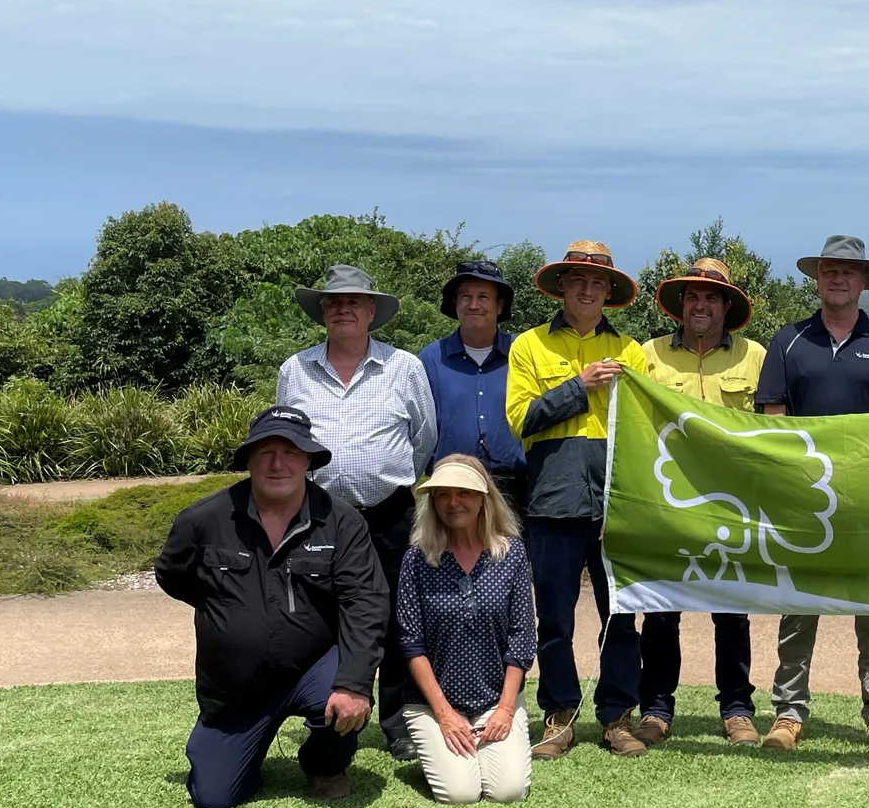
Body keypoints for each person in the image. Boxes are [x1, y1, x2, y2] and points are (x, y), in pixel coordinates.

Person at [156, 405, 388, 808]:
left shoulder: (342, 521)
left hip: (315, 668)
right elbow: (172, 575)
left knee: (344, 697)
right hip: (236, 687)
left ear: (309, 460)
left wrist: (353, 683)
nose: (277, 463)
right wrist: (230, 614)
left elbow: (364, 601)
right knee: (214, 796)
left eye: (292, 452)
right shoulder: (201, 520)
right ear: (247, 459)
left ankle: (324, 764)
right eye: (265, 452)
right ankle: (240, 756)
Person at [754, 234, 869, 754]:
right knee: (797, 611)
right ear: (817, 276)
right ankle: (788, 713)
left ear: (864, 280)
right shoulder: (787, 341)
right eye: (830, 269)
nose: (839, 278)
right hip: (805, 502)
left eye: (849, 271)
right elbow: (773, 421)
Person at [276, 263, 438, 763]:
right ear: (322, 312)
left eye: (353, 302)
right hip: (319, 515)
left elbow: (423, 440)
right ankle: (322, 714)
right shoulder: (294, 370)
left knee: (393, 617)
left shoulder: (405, 367)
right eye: (333, 302)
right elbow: (286, 443)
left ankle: (394, 722)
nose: (343, 308)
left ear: (371, 311)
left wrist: (386, 479)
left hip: (389, 512)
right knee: (320, 614)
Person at [504, 240, 650, 761]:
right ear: (562, 286)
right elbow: (520, 419)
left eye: (597, 283)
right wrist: (579, 386)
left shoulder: (633, 352)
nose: (587, 289)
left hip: (617, 504)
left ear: (609, 293)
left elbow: (647, 430)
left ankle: (616, 718)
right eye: (578, 280)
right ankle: (559, 715)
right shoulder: (528, 346)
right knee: (555, 618)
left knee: (620, 616)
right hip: (553, 498)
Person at [636, 258, 768, 747]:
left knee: (731, 609)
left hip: (734, 504)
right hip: (666, 499)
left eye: (711, 296)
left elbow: (774, 429)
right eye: (692, 296)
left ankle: (737, 709)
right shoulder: (646, 355)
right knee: (663, 608)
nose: (701, 304)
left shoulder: (755, 356)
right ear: (680, 305)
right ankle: (656, 709)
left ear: (726, 305)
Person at [394, 455, 535, 805]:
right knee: (461, 793)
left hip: (494, 700)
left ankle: (483, 741)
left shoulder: (511, 553)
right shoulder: (417, 559)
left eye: (464, 493)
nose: (453, 502)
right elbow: (411, 643)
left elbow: (523, 636)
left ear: (484, 498)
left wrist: (505, 709)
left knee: (509, 791)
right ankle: (437, 748)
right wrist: (444, 714)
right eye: (442, 494)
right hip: (432, 704)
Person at [420, 258, 529, 520]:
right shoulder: (432, 358)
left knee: (512, 559)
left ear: (499, 305)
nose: (474, 305)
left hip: (515, 486)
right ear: (455, 305)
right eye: (465, 297)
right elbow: (419, 423)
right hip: (450, 487)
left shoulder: (523, 352)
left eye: (483, 297)